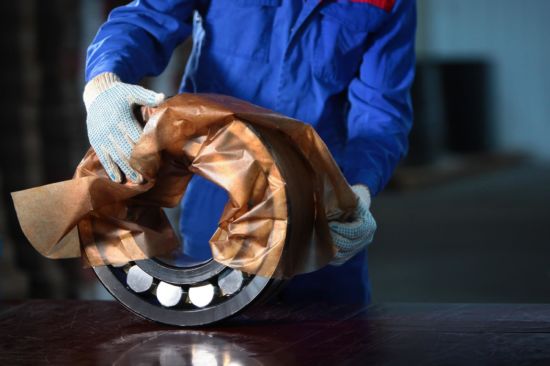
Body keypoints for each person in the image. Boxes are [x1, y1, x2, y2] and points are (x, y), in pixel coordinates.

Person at [83, 0, 416, 305]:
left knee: (332, 341)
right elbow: (144, 20)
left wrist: (358, 189)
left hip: (318, 213)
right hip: (217, 202)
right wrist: (104, 84)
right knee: (209, 331)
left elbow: (381, 114)